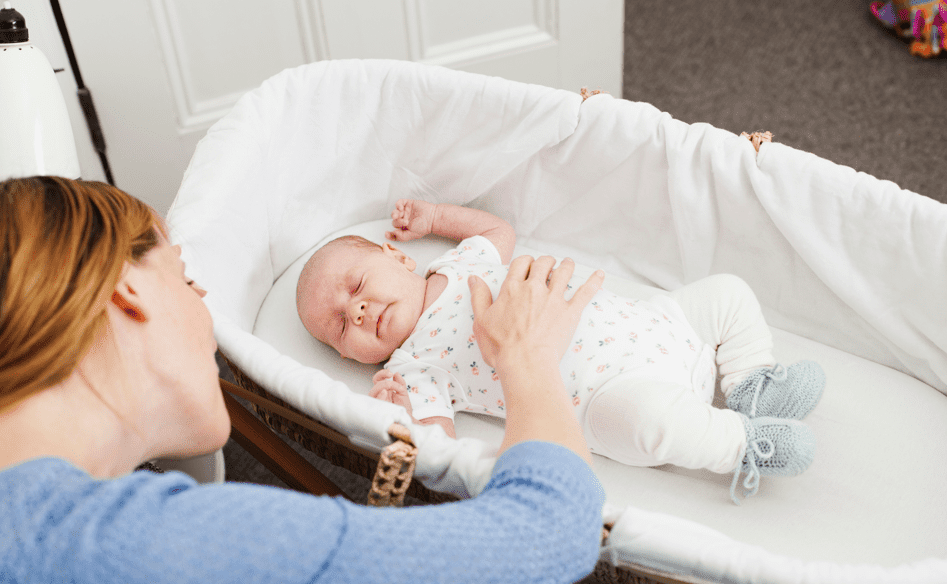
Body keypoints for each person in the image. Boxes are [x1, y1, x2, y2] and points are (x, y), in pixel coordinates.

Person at [0, 176, 605, 584]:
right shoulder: (153, 541)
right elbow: (552, 530)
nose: (203, 301)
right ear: (128, 293)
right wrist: (525, 356)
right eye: (185, 279)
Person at [297, 199, 827, 504]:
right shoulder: (413, 368)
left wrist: (434, 218)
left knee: (727, 292)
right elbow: (444, 448)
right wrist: (400, 415)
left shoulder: (459, 264)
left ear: (397, 256)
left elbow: (495, 229)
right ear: (350, 358)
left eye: (356, 286)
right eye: (341, 328)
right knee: (650, 423)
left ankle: (751, 383)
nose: (359, 312)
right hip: (602, 396)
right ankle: (743, 442)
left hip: (655, 322)